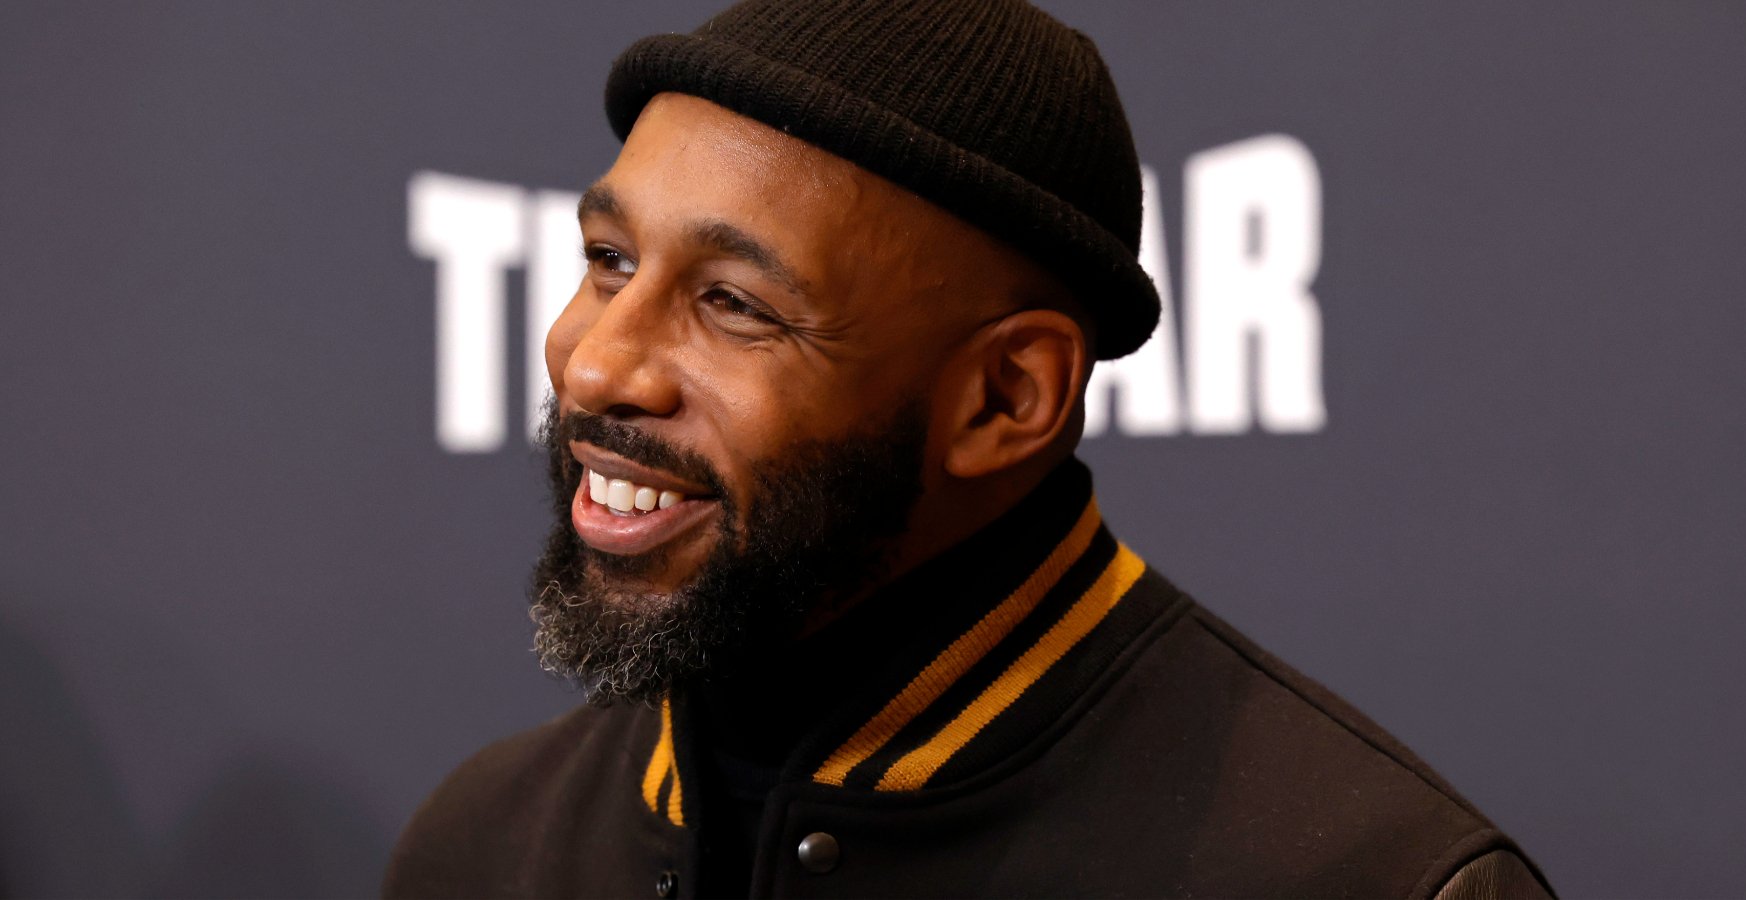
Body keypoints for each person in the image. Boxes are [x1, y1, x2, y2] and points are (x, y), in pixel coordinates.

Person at [384, 0, 1555, 896]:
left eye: (734, 303)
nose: (594, 366)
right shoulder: (485, 845)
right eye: (611, 261)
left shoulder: (1373, 879)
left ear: (1006, 397)